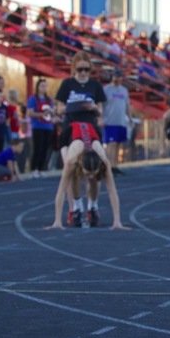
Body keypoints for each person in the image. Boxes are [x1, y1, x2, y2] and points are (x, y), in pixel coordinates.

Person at [54, 52, 107, 226]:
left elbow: (101, 113)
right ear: (74, 69)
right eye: (80, 69)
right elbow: (59, 109)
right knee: (72, 171)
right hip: (70, 130)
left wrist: (94, 109)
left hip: (90, 131)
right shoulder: (67, 84)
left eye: (87, 69)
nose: (84, 73)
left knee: (94, 172)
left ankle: (92, 206)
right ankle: (76, 208)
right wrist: (73, 105)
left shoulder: (95, 86)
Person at [45, 122, 129, 230]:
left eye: (93, 172)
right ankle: (77, 208)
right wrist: (57, 221)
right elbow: (61, 190)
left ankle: (92, 207)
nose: (89, 176)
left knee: (96, 179)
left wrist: (117, 221)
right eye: (87, 173)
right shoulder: (72, 159)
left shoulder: (104, 161)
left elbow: (112, 191)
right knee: (71, 174)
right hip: (68, 136)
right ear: (81, 163)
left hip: (92, 133)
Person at [102, 69, 133, 175]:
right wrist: (101, 118)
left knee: (118, 144)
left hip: (121, 121)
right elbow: (101, 104)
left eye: (120, 76)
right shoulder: (106, 89)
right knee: (112, 144)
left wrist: (130, 118)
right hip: (110, 120)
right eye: (116, 76)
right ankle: (109, 166)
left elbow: (128, 105)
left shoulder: (124, 90)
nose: (118, 78)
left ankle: (115, 165)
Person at [26, 77, 57, 177]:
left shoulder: (49, 100)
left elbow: (53, 112)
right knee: (37, 148)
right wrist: (42, 114)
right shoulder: (33, 99)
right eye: (42, 86)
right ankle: (33, 169)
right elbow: (30, 113)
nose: (44, 88)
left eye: (45, 86)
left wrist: (52, 114)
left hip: (48, 127)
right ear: (38, 87)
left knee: (45, 149)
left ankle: (40, 168)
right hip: (38, 126)